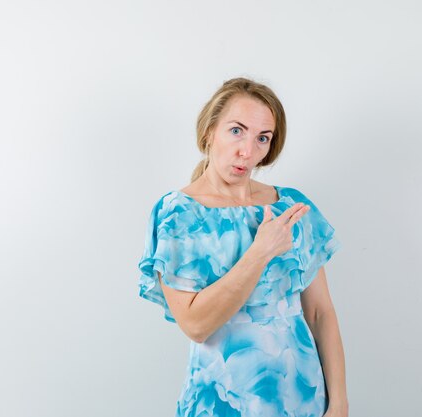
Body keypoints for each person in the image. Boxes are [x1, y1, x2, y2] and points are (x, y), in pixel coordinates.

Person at [137, 77, 349, 417]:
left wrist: (339, 404)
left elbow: (320, 312)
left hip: (302, 396)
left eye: (262, 138)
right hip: (221, 401)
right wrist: (260, 251)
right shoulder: (177, 215)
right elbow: (195, 325)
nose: (247, 152)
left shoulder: (290, 206)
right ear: (209, 132)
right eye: (237, 130)